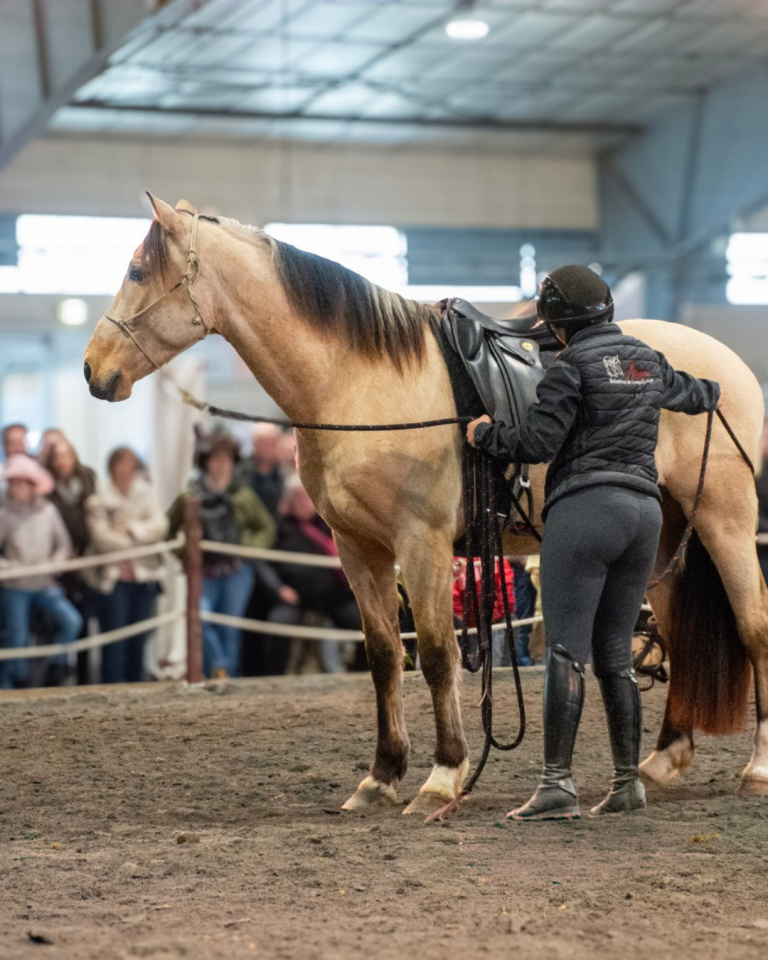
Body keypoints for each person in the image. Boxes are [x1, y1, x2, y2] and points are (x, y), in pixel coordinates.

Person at [467, 265, 720, 820]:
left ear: (557, 326)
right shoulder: (647, 359)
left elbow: (536, 440)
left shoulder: (570, 366)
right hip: (643, 516)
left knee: (564, 649)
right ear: (606, 310)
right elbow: (699, 395)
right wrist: (711, 389)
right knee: (615, 656)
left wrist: (484, 433)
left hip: (586, 512)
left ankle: (558, 784)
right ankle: (627, 783)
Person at [168, 431, 276, 679]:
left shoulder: (243, 497)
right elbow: (168, 529)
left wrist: (245, 547)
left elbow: (267, 528)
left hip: (236, 572)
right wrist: (184, 552)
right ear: (206, 461)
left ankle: (229, 677)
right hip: (203, 572)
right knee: (202, 620)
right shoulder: (190, 496)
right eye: (216, 459)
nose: (221, 465)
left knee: (230, 628)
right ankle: (217, 667)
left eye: (226, 459)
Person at [256, 477, 363, 676]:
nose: (304, 503)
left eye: (307, 498)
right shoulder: (280, 528)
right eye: (298, 499)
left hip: (333, 596)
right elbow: (263, 561)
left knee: (364, 623)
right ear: (289, 502)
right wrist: (279, 588)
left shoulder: (328, 525)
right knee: (279, 623)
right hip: (294, 597)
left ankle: (363, 673)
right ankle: (273, 677)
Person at [85, 447, 168, 684]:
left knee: (139, 638)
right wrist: (139, 538)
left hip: (143, 577)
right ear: (112, 466)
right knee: (114, 637)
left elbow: (160, 525)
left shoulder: (146, 493)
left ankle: (136, 683)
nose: (127, 469)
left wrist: (131, 529)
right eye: (122, 464)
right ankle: (110, 684)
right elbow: (101, 539)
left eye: (131, 464)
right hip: (113, 579)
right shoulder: (98, 499)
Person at [0, 455, 81, 688]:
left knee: (71, 621)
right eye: (12, 481)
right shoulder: (5, 515)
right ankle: (10, 684)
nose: (15, 486)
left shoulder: (48, 511)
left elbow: (63, 544)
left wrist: (53, 564)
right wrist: (11, 568)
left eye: (19, 481)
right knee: (17, 639)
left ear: (31, 484)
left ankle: (55, 666)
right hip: (15, 587)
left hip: (45, 584)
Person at [44, 438, 100, 683]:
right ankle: (55, 675)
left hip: (86, 562)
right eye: (57, 456)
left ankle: (85, 677)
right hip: (58, 565)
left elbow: (95, 518)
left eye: (66, 455)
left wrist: (87, 552)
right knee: (59, 623)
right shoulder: (46, 485)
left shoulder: (88, 479)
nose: (62, 461)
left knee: (85, 622)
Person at [238, 423, 285, 516]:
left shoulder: (283, 474)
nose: (271, 447)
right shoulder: (240, 470)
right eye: (266, 443)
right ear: (255, 445)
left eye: (274, 443)